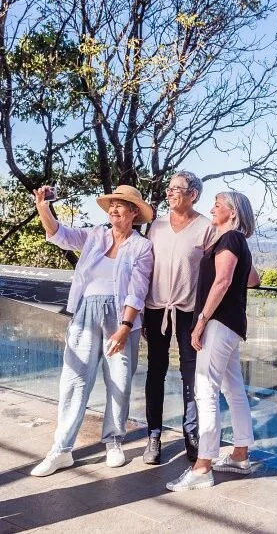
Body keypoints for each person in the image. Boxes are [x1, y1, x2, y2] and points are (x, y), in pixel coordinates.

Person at [31, 185, 153, 477]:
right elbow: (59, 235)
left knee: (119, 381)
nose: (113, 209)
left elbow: (137, 292)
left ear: (134, 212)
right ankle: (61, 450)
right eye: (111, 204)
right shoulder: (95, 235)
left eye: (120, 205)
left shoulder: (142, 246)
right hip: (86, 312)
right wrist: (43, 207)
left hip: (122, 317)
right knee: (74, 380)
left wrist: (124, 329)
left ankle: (113, 441)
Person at [166, 191, 260, 491]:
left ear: (232, 213)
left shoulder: (230, 240)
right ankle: (240, 456)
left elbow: (222, 281)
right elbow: (253, 279)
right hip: (232, 325)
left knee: (205, 390)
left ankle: (203, 466)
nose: (212, 209)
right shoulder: (234, 242)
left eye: (217, 205)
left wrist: (201, 321)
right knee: (233, 389)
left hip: (219, 324)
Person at [142, 171, 215, 464]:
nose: (169, 193)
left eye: (176, 189)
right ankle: (154, 435)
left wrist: (204, 318)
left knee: (191, 375)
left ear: (192, 195)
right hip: (155, 309)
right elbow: (145, 268)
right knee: (155, 371)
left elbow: (213, 275)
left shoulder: (206, 229)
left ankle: (191, 434)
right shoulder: (156, 227)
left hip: (188, 313)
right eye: (169, 189)